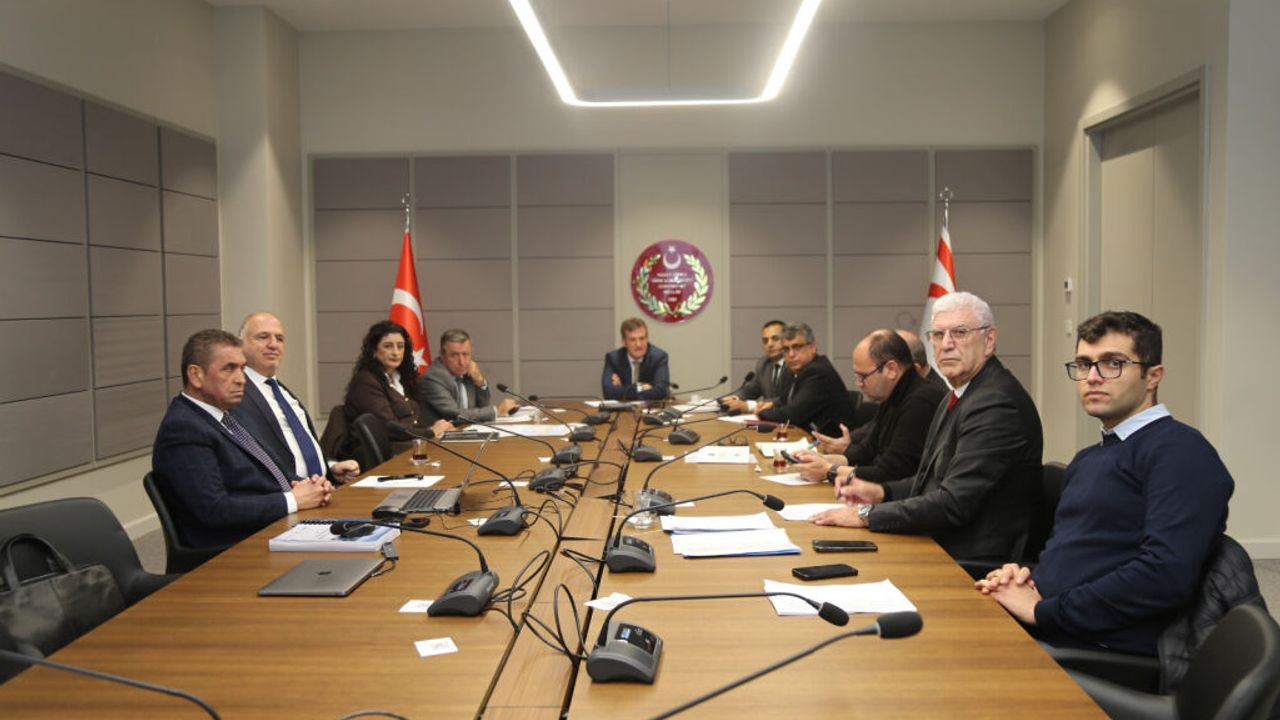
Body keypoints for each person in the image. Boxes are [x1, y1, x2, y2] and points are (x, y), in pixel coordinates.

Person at [975, 311, 1233, 656]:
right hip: (1057, 624)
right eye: (1084, 364)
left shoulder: (1180, 452)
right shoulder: (1090, 457)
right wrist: (1023, 578)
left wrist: (1041, 611)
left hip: (1102, 648)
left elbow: (1164, 576)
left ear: (1153, 376)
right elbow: (1083, 554)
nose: (1093, 377)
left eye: (1113, 364)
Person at [811, 292, 1042, 563]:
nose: (946, 345)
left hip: (972, 559)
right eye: (938, 335)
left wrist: (866, 515)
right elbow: (931, 481)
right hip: (941, 540)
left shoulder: (996, 404)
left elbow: (953, 502)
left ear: (989, 340)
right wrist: (881, 493)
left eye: (960, 332)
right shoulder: (960, 394)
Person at [152, 329, 331, 548]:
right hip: (236, 547)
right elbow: (215, 510)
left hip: (276, 525)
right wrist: (293, 500)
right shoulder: (184, 428)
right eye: (229, 369)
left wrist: (308, 486)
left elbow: (268, 469)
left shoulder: (228, 414)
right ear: (196, 375)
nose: (241, 379)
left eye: (242, 369)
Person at [792, 329, 947, 484]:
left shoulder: (921, 401)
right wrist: (823, 460)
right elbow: (866, 451)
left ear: (891, 369)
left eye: (863, 376)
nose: (858, 384)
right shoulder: (894, 393)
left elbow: (892, 472)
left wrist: (829, 471)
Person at [231, 312, 360, 485]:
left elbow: (300, 445)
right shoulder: (236, 395)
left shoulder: (281, 391)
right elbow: (258, 461)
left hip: (324, 487)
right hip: (290, 493)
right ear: (241, 345)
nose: (273, 345)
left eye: (279, 339)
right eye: (263, 337)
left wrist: (331, 468)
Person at [343, 320, 452, 437]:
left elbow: (415, 420)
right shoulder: (365, 381)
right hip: (391, 446)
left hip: (413, 442)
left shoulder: (403, 379)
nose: (396, 352)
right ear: (374, 351)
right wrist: (431, 432)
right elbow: (388, 427)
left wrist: (439, 428)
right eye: (388, 346)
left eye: (400, 346)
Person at [755, 322, 855, 436]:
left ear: (812, 347)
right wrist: (772, 405)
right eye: (786, 349)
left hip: (831, 441)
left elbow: (791, 416)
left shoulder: (818, 372)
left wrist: (762, 412)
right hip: (806, 435)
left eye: (797, 347)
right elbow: (785, 401)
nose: (791, 354)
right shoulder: (793, 371)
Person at [419, 328, 519, 424]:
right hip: (442, 434)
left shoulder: (468, 372)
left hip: (467, 430)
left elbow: (482, 407)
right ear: (442, 355)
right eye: (454, 355)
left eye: (465, 354)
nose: (462, 362)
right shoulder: (433, 378)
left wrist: (480, 382)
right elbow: (455, 414)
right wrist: (496, 411)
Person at [720, 319, 793, 414]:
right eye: (765, 340)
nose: (769, 344)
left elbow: (787, 399)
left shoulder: (794, 364)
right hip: (770, 418)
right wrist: (733, 399)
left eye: (775, 339)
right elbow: (749, 391)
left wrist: (749, 406)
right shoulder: (764, 364)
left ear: (787, 340)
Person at [602, 317, 670, 401]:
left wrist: (623, 388)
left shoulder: (659, 357)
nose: (638, 344)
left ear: (647, 339)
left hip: (650, 408)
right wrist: (640, 387)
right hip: (623, 408)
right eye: (632, 340)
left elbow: (661, 390)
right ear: (624, 342)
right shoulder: (614, 359)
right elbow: (608, 392)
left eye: (642, 338)